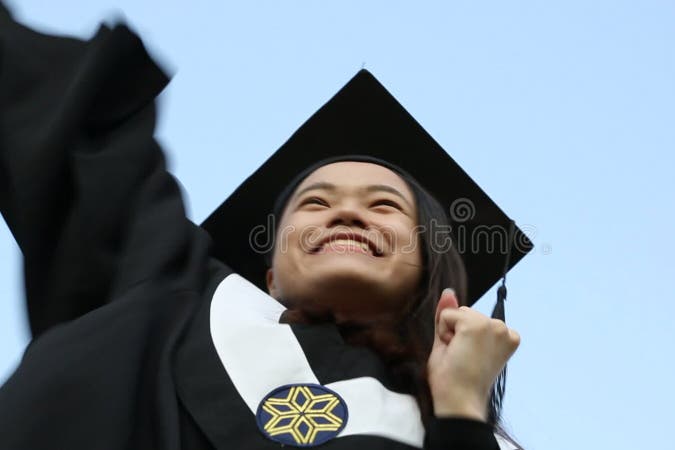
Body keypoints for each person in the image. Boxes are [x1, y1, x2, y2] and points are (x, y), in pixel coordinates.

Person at [0, 4, 532, 449]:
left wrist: (462, 411)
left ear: (429, 268)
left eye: (385, 206)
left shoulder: (463, 434)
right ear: (271, 276)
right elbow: (77, 125)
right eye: (315, 203)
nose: (346, 213)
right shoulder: (178, 296)